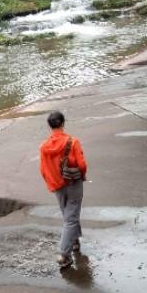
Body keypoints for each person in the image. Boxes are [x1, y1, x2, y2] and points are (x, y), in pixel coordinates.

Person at [39, 110, 87, 269]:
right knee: (71, 217)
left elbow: (43, 169)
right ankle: (63, 254)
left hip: (57, 185)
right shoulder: (73, 142)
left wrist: (51, 183)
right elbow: (81, 165)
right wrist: (82, 175)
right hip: (73, 182)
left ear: (49, 126)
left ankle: (74, 242)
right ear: (63, 123)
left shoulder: (44, 147)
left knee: (68, 215)